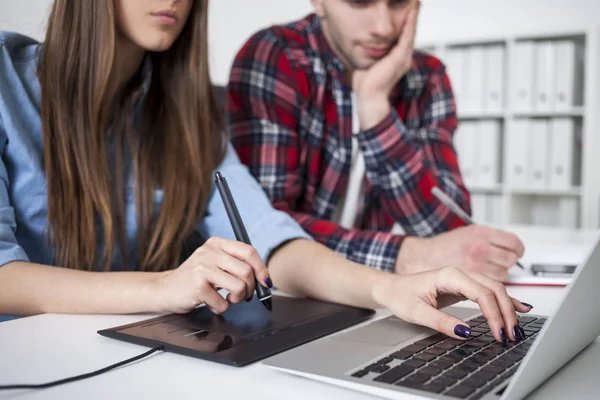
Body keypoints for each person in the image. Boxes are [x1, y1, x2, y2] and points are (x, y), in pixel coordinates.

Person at [0, 0, 530, 343]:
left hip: (120, 359)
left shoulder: (188, 116)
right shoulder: (6, 80)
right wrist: (168, 284)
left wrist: (387, 289)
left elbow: (273, 237)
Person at [227, 0, 525, 282]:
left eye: (397, 3)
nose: (383, 27)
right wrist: (404, 256)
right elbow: (262, 229)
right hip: (289, 297)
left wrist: (374, 107)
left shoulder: (427, 77)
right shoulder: (276, 55)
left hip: (370, 297)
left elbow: (447, 232)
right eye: (359, 2)